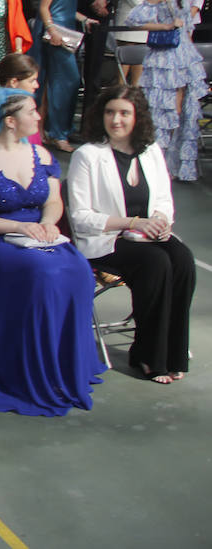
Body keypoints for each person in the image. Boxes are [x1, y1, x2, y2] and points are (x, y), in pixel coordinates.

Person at [0, 88, 105, 415]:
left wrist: (50, 224)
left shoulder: (43, 156)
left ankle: (63, 366)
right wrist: (19, 228)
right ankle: (25, 369)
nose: (38, 117)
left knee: (78, 270)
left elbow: (52, 201)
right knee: (41, 274)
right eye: (31, 111)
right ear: (10, 121)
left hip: (38, 234)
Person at [69, 85, 195, 384]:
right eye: (110, 112)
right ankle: (148, 355)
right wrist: (133, 223)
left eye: (124, 113)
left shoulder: (151, 152)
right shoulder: (87, 156)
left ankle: (173, 353)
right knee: (155, 263)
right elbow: (80, 218)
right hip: (105, 241)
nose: (116, 120)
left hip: (146, 237)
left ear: (137, 117)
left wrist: (162, 221)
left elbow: (164, 199)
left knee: (182, 260)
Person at [128, 0, 207, 181]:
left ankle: (173, 165)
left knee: (183, 109)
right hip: (164, 58)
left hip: (184, 55)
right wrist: (165, 26)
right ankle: (155, 162)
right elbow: (135, 19)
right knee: (162, 110)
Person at [37, 0, 89, 151]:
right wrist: (52, 30)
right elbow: (44, 6)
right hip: (56, 34)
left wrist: (83, 18)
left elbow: (65, 5)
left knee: (62, 82)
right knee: (66, 82)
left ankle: (53, 130)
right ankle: (59, 133)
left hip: (67, 30)